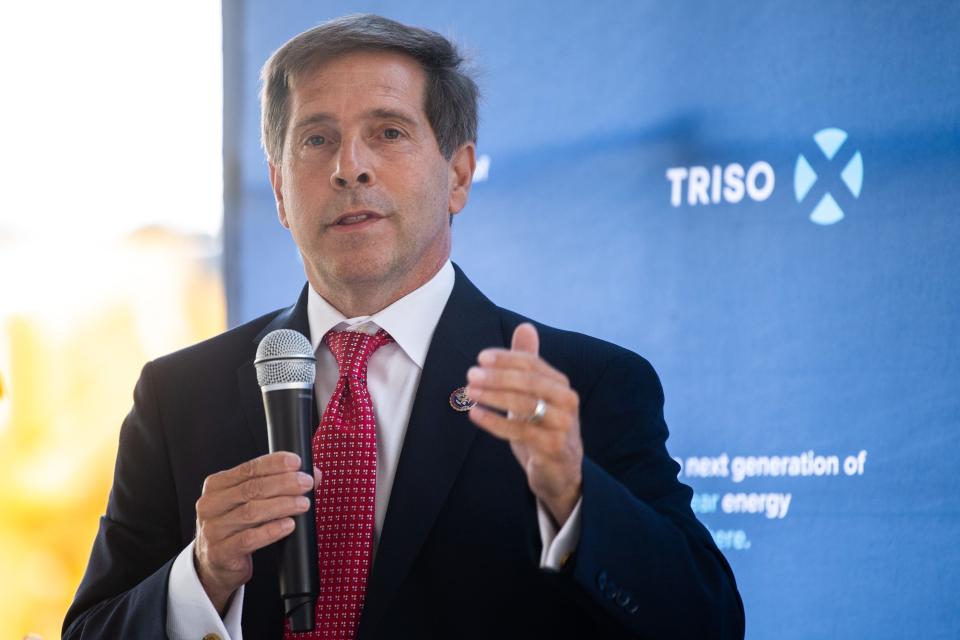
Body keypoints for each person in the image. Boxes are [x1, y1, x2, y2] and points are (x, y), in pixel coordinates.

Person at [64, 14, 744, 640]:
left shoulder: (586, 388)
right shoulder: (179, 395)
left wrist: (573, 492)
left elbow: (706, 624)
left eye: (388, 132)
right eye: (317, 138)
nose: (347, 166)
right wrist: (201, 577)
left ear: (458, 175)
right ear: (278, 190)